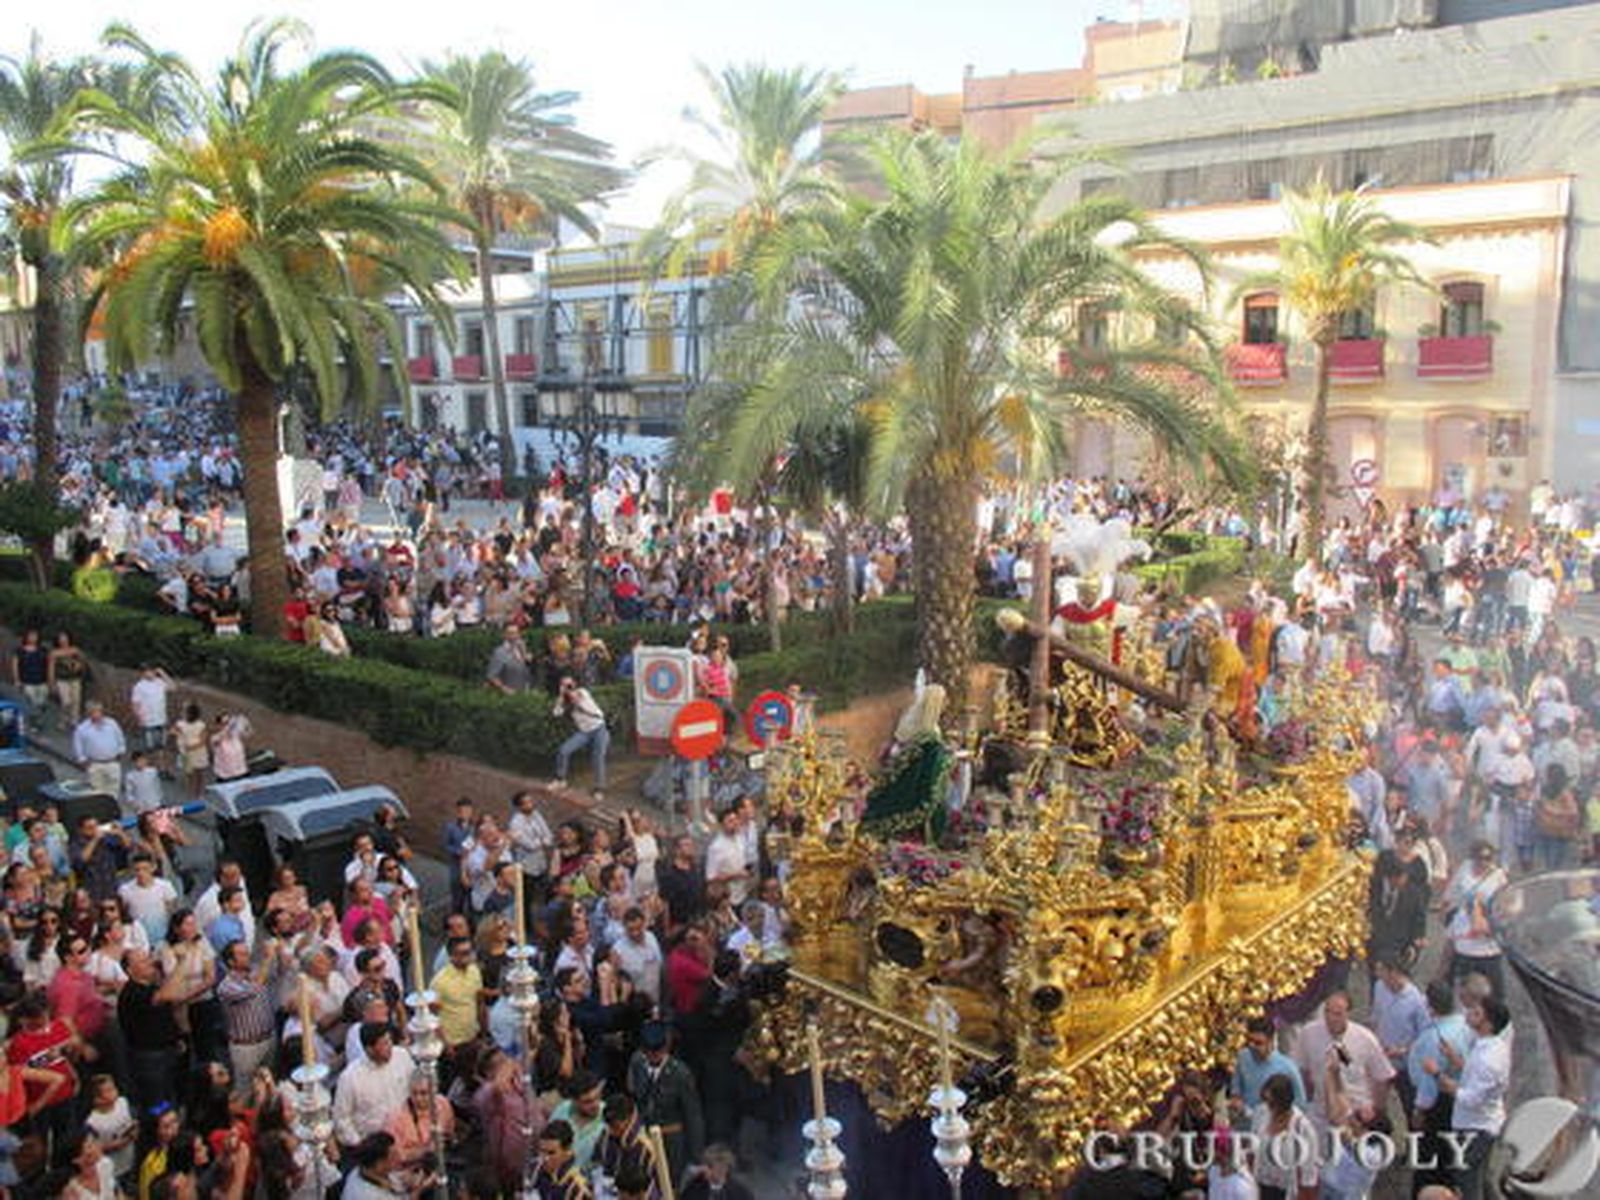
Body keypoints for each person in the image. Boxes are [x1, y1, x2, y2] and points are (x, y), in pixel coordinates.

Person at [1426, 995, 1511, 1200]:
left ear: (1488, 1024)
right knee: (1482, 1179)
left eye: (1476, 1013)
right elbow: (1474, 1078)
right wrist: (1454, 1058)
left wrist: (1437, 1074)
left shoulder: (1488, 1059)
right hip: (1483, 1123)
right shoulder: (1489, 1046)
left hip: (1476, 1129)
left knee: (1467, 1183)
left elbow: (1471, 1098)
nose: (1469, 1014)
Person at [1229, 1016, 1306, 1116]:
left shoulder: (1287, 1068)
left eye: (1258, 1043)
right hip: (1243, 1124)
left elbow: (1300, 1105)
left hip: (1272, 1125)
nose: (1252, 1047)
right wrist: (1236, 1100)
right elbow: (1236, 1089)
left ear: (1270, 1042)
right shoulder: (1243, 1057)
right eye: (1249, 1041)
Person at [552, 674, 609, 800]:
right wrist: (561, 696)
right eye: (564, 685)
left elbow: (580, 702)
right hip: (584, 732)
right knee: (563, 750)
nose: (568, 687)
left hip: (599, 729)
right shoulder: (564, 700)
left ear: (575, 684)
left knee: (597, 759)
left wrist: (570, 692)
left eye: (569, 685)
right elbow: (556, 713)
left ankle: (599, 788)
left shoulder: (583, 692)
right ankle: (561, 779)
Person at [74, 701, 128, 798]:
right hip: (95, 764)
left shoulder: (112, 723)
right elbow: (78, 747)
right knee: (96, 793)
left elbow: (120, 739)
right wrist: (83, 761)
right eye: (94, 712)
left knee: (113, 792)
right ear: (89, 714)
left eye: (99, 712)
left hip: (112, 762)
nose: (97, 714)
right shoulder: (82, 729)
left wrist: (121, 752)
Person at [679, 1144, 756, 1200]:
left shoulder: (740, 1193)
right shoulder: (693, 1189)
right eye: (705, 1165)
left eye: (710, 1166)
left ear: (725, 1168)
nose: (705, 1169)